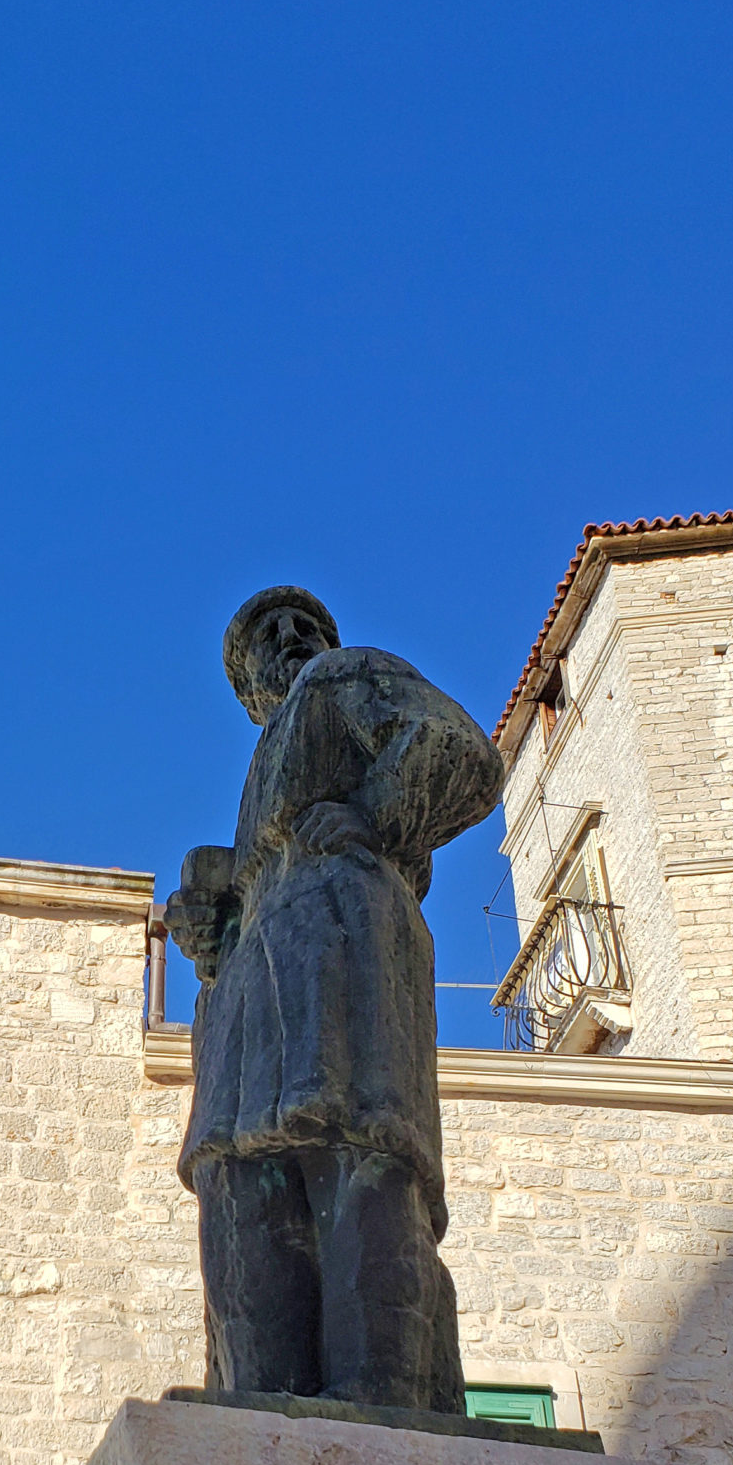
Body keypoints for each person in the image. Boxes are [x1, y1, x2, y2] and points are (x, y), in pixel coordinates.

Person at [166, 586, 502, 1412]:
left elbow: (459, 750)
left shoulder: (343, 677)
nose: (291, 636)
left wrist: (372, 815)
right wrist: (208, 919)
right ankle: (259, 1407)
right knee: (237, 1174)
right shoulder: (273, 754)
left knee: (362, 1153)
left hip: (341, 942)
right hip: (257, 979)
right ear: (248, 692)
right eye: (266, 635)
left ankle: (375, 1402)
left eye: (304, 625)